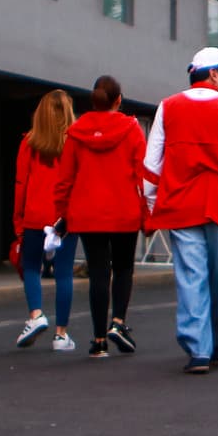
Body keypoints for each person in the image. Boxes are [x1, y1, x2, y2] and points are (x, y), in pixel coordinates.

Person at [144, 47, 218, 374]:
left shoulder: (168, 107)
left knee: (191, 276)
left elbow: (151, 165)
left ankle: (199, 349)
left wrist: (153, 204)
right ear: (212, 74)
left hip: (181, 203)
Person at [54, 76, 147, 359]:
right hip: (124, 210)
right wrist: (148, 213)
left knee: (98, 272)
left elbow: (65, 179)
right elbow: (143, 175)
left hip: (87, 212)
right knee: (122, 269)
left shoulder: (76, 132)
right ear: (118, 100)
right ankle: (118, 322)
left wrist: (62, 213)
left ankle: (98, 341)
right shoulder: (131, 130)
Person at [12, 89, 80, 351]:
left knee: (31, 267)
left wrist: (18, 219)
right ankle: (61, 335)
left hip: (34, 215)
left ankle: (36, 315)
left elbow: (21, 183)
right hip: (64, 217)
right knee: (64, 274)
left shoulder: (29, 143)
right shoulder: (75, 142)